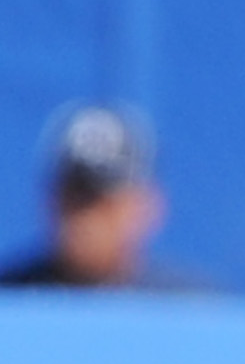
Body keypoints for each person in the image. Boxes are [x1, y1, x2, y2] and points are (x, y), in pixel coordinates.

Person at [0, 104, 189, 291]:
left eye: (103, 202)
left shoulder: (190, 310)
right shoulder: (10, 297)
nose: (85, 219)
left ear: (147, 206)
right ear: (50, 200)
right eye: (75, 197)